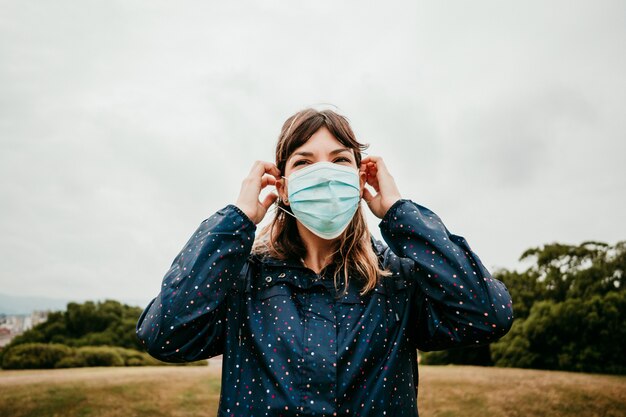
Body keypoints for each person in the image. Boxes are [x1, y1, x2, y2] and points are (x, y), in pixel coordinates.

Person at [136, 107, 515, 417]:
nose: (325, 174)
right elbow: (165, 334)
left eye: (339, 160)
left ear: (361, 177)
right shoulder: (241, 280)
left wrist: (399, 212)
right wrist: (237, 218)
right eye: (303, 162)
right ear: (281, 185)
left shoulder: (396, 280)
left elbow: (488, 314)